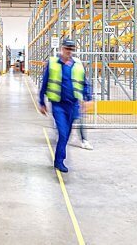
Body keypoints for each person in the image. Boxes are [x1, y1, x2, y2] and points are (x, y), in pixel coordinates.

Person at [38, 38, 92, 173]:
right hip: (58, 105)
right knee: (62, 133)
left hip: (73, 105)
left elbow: (84, 83)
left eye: (71, 49)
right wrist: (41, 102)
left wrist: (88, 98)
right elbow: (44, 83)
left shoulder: (78, 64)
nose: (69, 51)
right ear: (62, 49)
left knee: (66, 134)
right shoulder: (52, 64)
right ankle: (59, 161)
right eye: (67, 48)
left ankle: (59, 158)